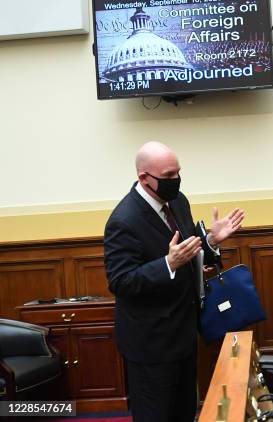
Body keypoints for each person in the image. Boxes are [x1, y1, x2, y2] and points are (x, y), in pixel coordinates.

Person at [104, 141, 245, 422]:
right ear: (144, 178)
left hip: (183, 333)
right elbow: (121, 282)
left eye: (178, 173)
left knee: (184, 412)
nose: (176, 181)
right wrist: (167, 264)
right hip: (151, 343)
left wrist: (210, 241)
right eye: (168, 177)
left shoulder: (178, 202)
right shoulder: (123, 220)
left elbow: (187, 249)